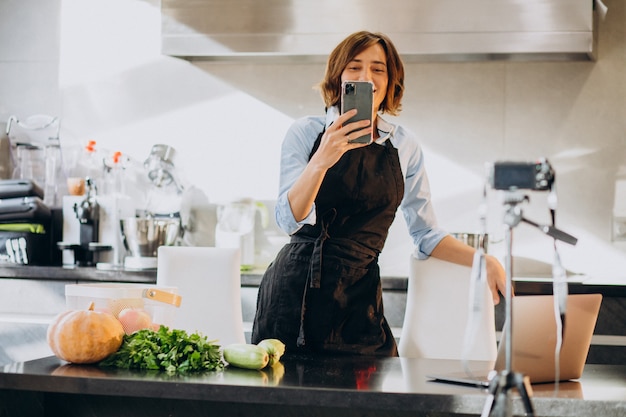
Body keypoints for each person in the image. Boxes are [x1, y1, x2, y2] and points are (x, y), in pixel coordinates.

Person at [251, 31, 506, 357]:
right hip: (294, 295)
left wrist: (484, 261)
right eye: (354, 68)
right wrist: (322, 159)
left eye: (378, 69)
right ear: (338, 76)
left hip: (360, 298)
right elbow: (288, 221)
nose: (366, 78)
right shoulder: (307, 133)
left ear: (390, 82)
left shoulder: (404, 146)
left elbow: (426, 234)